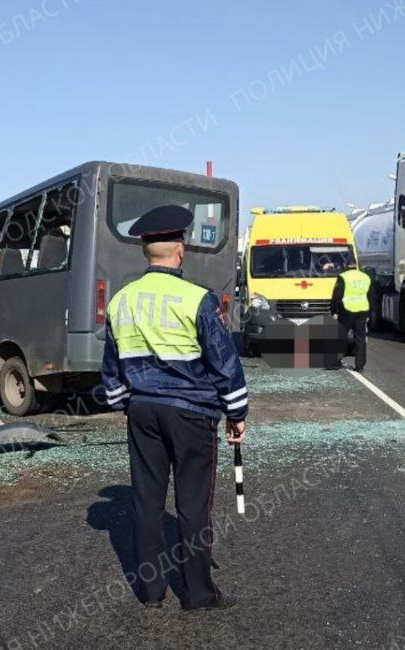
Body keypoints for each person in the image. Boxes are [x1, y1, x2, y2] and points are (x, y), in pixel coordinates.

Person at [101, 204, 248, 611]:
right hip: (191, 414)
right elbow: (224, 362)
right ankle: (199, 594)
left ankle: (150, 591)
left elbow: (111, 367)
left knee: (147, 501)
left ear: (146, 251)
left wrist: (122, 404)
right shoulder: (196, 299)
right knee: (192, 504)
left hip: (142, 411)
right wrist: (237, 414)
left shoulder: (121, 301)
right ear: (179, 249)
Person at [329, 261, 374, 372]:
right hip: (362, 310)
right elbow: (371, 296)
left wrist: (334, 310)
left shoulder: (343, 277)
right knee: (360, 339)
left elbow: (337, 295)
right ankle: (360, 366)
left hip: (347, 310)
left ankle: (336, 363)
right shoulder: (365, 277)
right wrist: (370, 313)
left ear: (346, 266)